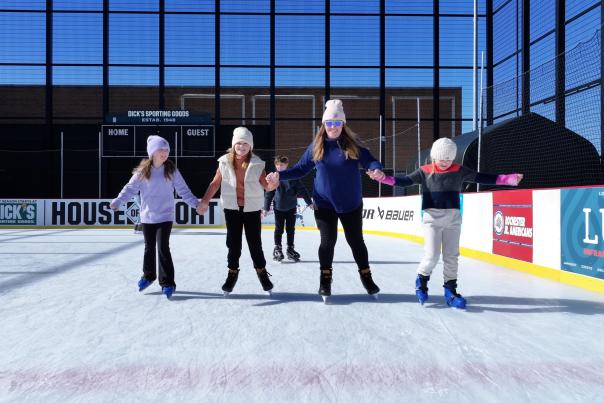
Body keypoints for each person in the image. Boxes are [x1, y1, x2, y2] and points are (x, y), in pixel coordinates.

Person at [368, 137, 523, 308]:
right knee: (432, 255)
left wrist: (507, 179)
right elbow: (405, 181)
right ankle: (422, 280)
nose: (445, 162)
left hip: (453, 218)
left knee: (451, 257)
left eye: (449, 159)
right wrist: (384, 179)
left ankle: (450, 291)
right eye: (442, 159)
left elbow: (481, 177)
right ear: (434, 156)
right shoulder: (424, 171)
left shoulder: (459, 170)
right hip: (431, 219)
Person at [266, 99, 384, 301]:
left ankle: (366, 277)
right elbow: (300, 169)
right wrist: (279, 175)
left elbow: (370, 160)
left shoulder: (353, 146)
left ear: (343, 125)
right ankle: (325, 279)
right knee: (327, 242)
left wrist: (376, 168)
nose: (333, 127)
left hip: (351, 203)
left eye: (337, 123)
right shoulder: (316, 147)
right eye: (329, 123)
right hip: (324, 203)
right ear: (323, 124)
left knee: (356, 241)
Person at [110, 135, 201, 299]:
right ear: (152, 152)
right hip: (147, 217)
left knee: (163, 248)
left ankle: (167, 283)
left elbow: (183, 190)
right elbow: (129, 189)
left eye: (167, 150)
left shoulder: (171, 170)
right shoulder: (142, 172)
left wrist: (196, 204)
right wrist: (118, 201)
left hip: (165, 216)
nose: (165, 153)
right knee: (148, 247)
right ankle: (148, 275)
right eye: (161, 150)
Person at [198, 127, 277, 296]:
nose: (241, 146)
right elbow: (215, 183)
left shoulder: (257, 164)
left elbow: (266, 186)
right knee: (233, 245)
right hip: (232, 209)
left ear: (251, 146)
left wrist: (274, 183)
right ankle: (232, 273)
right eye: (239, 143)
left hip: (252, 210)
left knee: (255, 244)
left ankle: (262, 273)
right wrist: (204, 201)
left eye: (245, 144)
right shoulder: (224, 162)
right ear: (233, 145)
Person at [263, 155, 313, 262]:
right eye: (278, 165)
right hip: (278, 208)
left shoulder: (293, 177)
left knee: (290, 230)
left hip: (291, 208)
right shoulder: (273, 178)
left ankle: (290, 249)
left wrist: (309, 203)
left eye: (282, 165)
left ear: (286, 165)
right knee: (279, 229)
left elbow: (302, 190)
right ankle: (277, 248)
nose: (280, 167)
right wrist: (266, 208)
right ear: (275, 166)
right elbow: (269, 193)